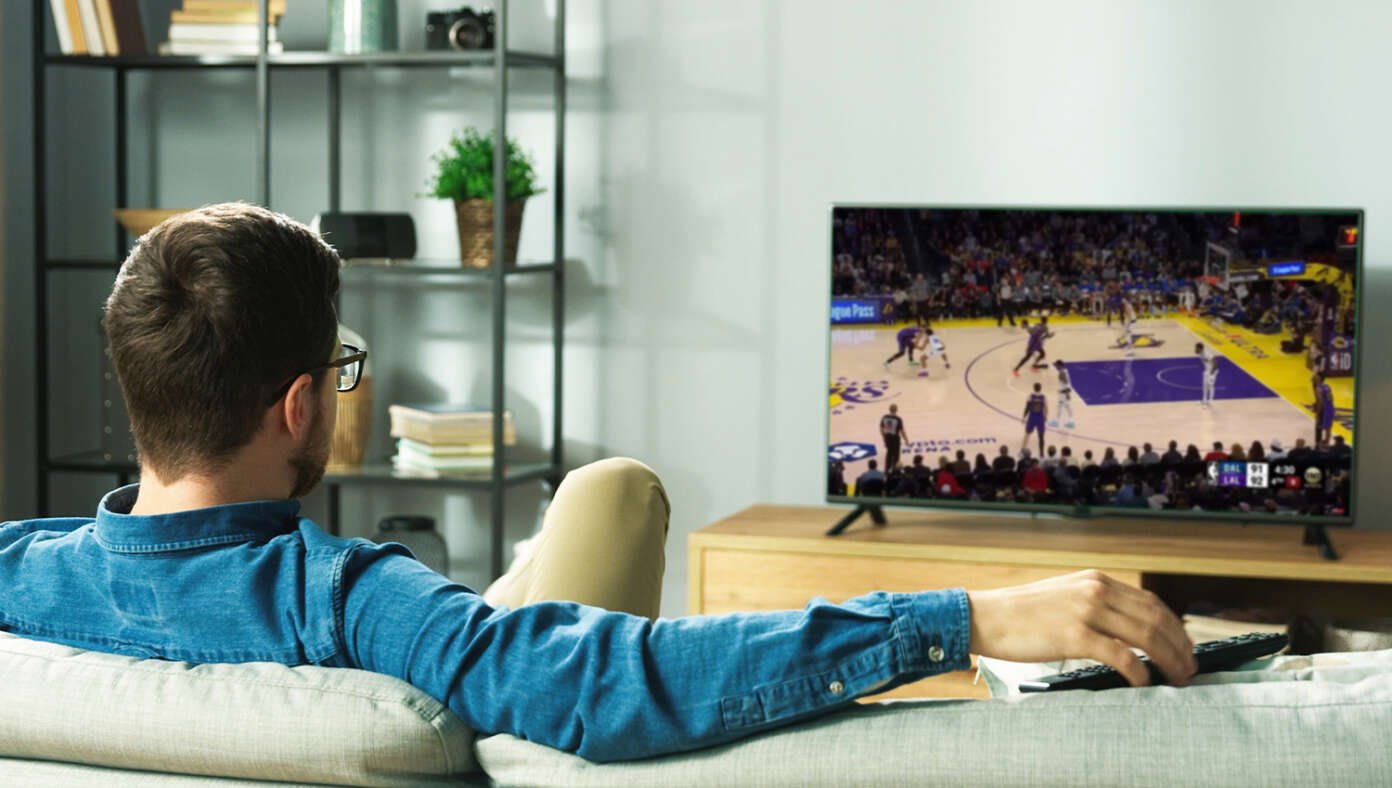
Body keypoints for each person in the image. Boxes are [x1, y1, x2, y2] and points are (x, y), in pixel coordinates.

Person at [0, 204, 1197, 763]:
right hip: (460, 650)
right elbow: (608, 682)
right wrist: (967, 613)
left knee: (530, 573)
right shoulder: (350, 593)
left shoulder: (18, 569)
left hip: (446, 634)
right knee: (612, 491)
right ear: (303, 404)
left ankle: (515, 579)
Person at [879, 403, 908, 473]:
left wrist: (883, 437)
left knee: (889, 453)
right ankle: (895, 470)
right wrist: (906, 439)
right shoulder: (898, 419)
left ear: (889, 409)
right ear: (896, 410)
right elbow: (902, 431)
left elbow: (881, 428)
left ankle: (887, 469)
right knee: (896, 454)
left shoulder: (884, 417)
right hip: (895, 438)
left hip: (887, 437)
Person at [1021, 382, 1048, 457]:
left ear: (1034, 388)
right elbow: (1046, 408)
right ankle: (1041, 453)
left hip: (1032, 417)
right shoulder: (1043, 397)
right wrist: (1045, 416)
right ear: (1040, 388)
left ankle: (1022, 450)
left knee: (1027, 434)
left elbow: (1027, 408)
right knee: (1041, 436)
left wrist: (1023, 417)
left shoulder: (1030, 396)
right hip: (1040, 418)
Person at [1048, 359, 1076, 429]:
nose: (1056, 366)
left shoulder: (1062, 373)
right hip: (1065, 391)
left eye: (1056, 365)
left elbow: (1066, 382)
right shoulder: (1065, 371)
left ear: (1059, 365)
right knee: (1067, 406)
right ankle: (1071, 421)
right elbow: (1066, 383)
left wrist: (1067, 393)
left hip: (1063, 392)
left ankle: (1057, 421)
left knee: (1060, 406)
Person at [1313, 372, 1335, 449]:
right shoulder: (1327, 386)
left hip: (1324, 409)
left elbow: (1320, 402)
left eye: (1315, 376)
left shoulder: (1318, 389)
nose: (1313, 377)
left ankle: (1319, 446)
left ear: (1319, 379)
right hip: (1331, 407)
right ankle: (1327, 443)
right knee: (1328, 428)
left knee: (1318, 427)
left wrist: (1318, 414)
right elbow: (1332, 398)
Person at [1196, 342, 1219, 408]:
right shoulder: (1200, 352)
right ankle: (1204, 400)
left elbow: (1216, 362)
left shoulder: (1207, 353)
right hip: (1207, 371)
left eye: (1197, 348)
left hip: (1212, 371)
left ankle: (1211, 401)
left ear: (1201, 348)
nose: (1195, 349)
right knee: (1204, 385)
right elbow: (1196, 352)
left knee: (1210, 385)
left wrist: (1212, 374)